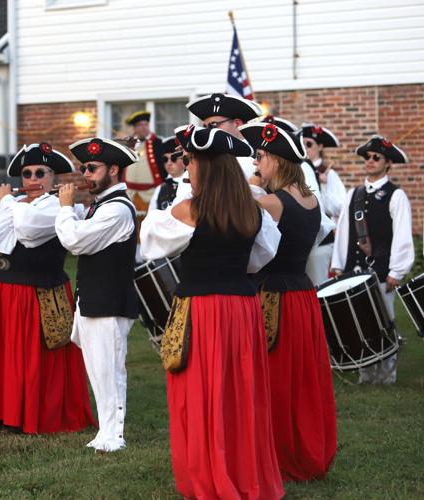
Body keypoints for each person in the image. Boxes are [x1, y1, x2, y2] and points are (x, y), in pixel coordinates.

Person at [140, 125, 284, 499]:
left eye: (190, 161)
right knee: (240, 395)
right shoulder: (253, 213)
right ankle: (241, 472)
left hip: (203, 312)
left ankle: (209, 475)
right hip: (241, 310)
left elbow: (150, 243)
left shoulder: (188, 209)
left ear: (203, 166)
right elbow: (260, 259)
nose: (186, 166)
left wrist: (186, 189)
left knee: (202, 396)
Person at [0, 143, 95, 434]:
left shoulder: (58, 206)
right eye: (26, 174)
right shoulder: (18, 204)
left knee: (32, 357)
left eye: (41, 173)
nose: (33, 180)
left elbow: (27, 230)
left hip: (34, 292)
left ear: (54, 177)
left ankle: (30, 411)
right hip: (0, 289)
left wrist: (7, 202)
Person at [240, 122, 337, 481]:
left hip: (274, 298)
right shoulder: (312, 201)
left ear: (278, 161)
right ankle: (305, 445)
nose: (256, 163)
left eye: (260, 157)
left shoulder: (271, 202)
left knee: (275, 380)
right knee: (303, 378)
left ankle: (278, 453)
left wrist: (252, 185)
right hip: (302, 293)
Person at [55, 138, 139, 453]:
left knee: (109, 369)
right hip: (95, 300)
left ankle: (114, 435)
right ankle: (105, 432)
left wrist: (64, 209)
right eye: (83, 168)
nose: (85, 174)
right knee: (98, 370)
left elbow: (74, 240)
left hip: (109, 302)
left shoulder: (117, 209)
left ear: (114, 170)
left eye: (92, 168)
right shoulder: (102, 205)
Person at [331, 135, 414, 384]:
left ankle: (387, 375)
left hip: (381, 270)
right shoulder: (353, 194)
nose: (370, 160)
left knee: (385, 321)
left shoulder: (396, 195)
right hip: (353, 272)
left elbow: (402, 235)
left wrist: (396, 272)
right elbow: (343, 232)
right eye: (367, 157)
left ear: (387, 163)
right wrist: (338, 265)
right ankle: (366, 373)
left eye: (376, 157)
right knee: (360, 324)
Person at [300, 123, 346, 285]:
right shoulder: (298, 168)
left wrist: (324, 186)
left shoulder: (328, 172)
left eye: (309, 144)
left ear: (320, 146)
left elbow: (340, 207)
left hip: (321, 240)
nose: (305, 148)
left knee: (319, 286)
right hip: (302, 239)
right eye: (302, 143)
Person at [186, 92, 262, 181]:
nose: (208, 131)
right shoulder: (207, 155)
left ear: (237, 124)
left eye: (213, 125)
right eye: (205, 127)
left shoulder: (259, 154)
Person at [120, 110, 165, 210]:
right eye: (140, 125)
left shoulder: (158, 143)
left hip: (151, 191)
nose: (144, 127)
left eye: (146, 124)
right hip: (130, 192)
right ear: (135, 128)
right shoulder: (129, 143)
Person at [147, 135, 189, 213]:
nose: (169, 163)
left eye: (173, 159)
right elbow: (152, 216)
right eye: (165, 159)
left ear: (183, 159)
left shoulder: (192, 184)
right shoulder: (160, 189)